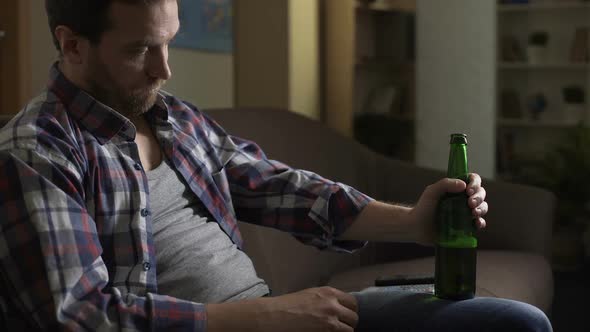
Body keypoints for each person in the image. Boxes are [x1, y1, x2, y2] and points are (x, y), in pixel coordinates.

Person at [0, 0, 551, 331]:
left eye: (169, 42)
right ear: (71, 45)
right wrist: (264, 319)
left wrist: (411, 221)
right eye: (140, 50)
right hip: (252, 323)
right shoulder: (36, 153)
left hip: (281, 317)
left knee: (513, 324)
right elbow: (81, 316)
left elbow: (282, 188)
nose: (164, 69)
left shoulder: (175, 119)